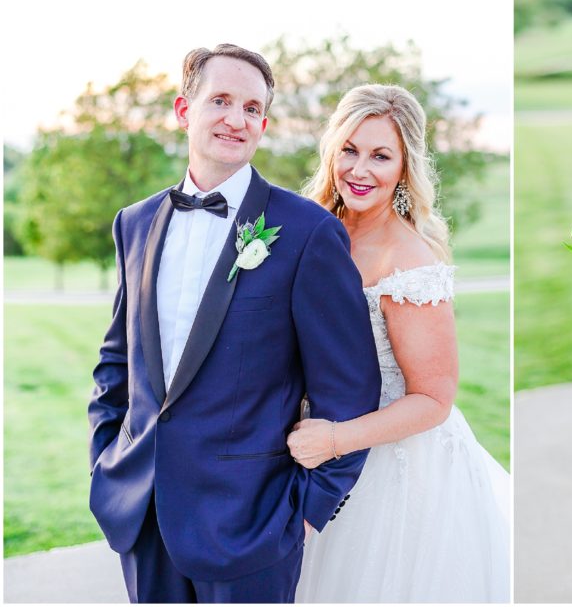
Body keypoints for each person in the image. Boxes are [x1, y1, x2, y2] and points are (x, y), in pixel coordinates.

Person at [87, 44, 381, 603]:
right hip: (140, 514)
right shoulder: (136, 223)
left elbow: (349, 388)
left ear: (264, 124)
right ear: (182, 110)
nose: (235, 118)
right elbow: (116, 365)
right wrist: (105, 464)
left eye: (251, 108)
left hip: (254, 527)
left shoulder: (306, 233)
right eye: (220, 100)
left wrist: (308, 515)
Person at [288, 84, 510, 602]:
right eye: (350, 150)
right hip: (305, 447)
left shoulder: (408, 262)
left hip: (390, 467)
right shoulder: (310, 227)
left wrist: (335, 441)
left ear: (405, 166)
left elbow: (434, 399)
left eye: (380, 156)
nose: (360, 170)